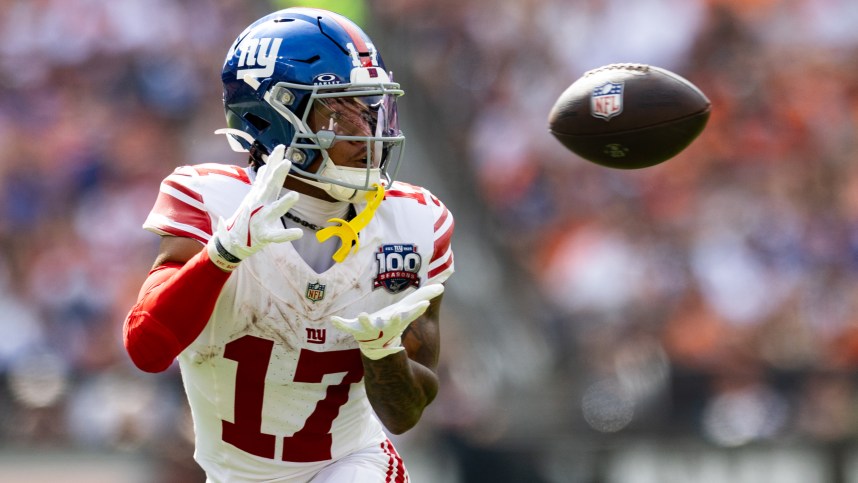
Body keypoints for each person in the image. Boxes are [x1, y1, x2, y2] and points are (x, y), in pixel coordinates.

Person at [122, 7, 454, 482]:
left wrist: (384, 357)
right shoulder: (212, 201)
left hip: (350, 461)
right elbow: (147, 349)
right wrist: (221, 255)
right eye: (340, 110)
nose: (368, 133)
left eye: (370, 108)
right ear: (270, 116)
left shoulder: (416, 221)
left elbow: (406, 413)